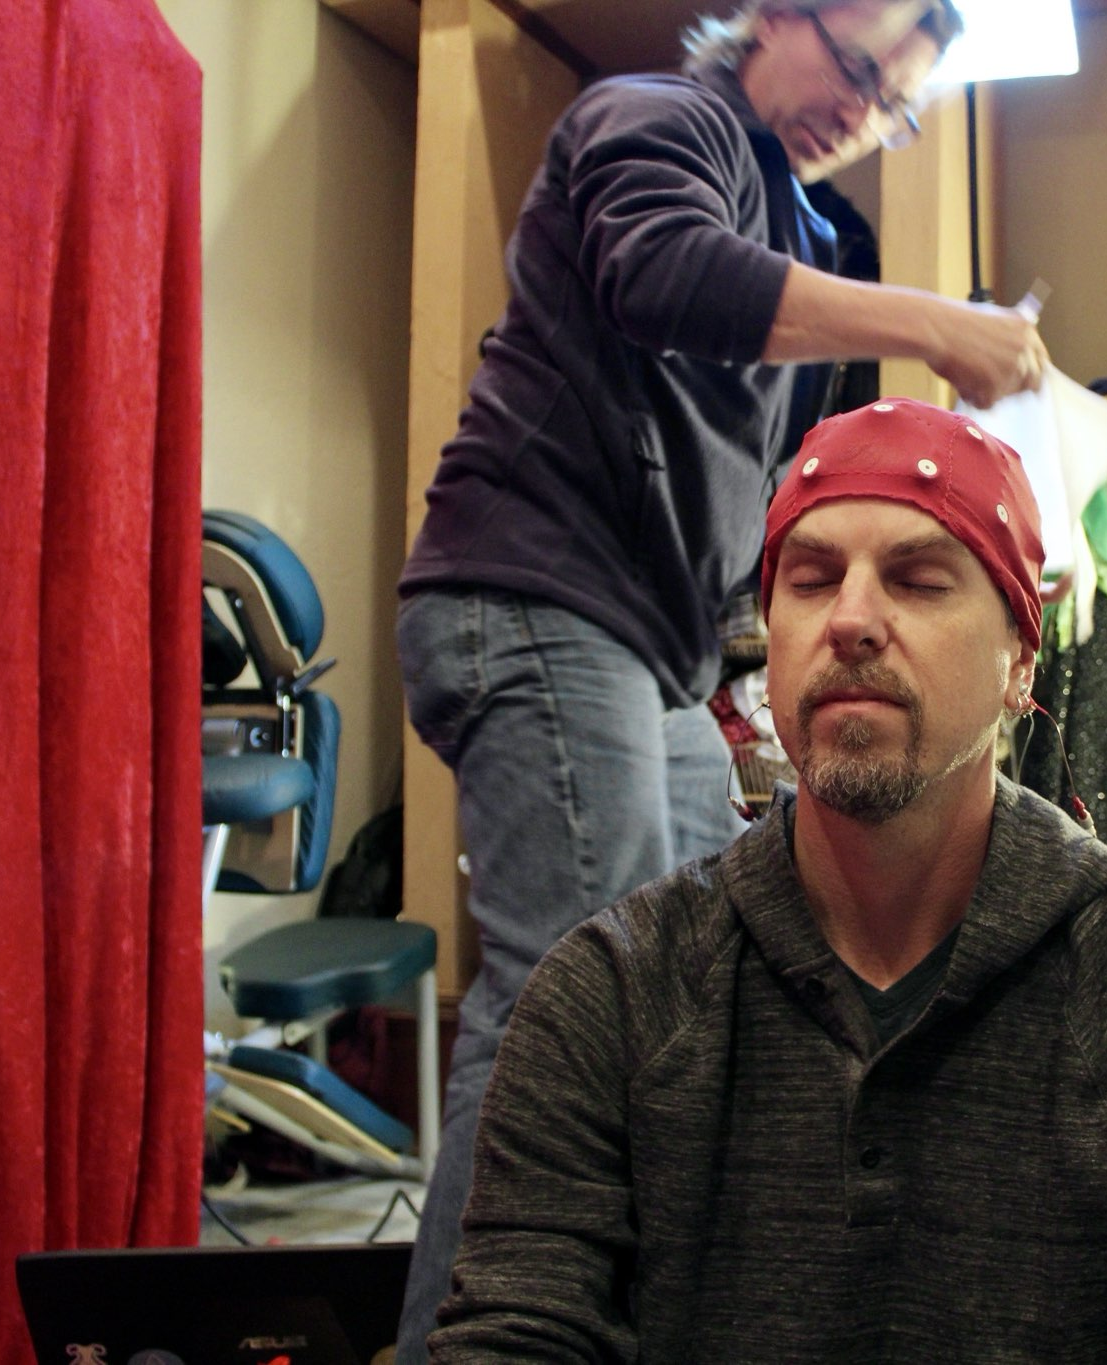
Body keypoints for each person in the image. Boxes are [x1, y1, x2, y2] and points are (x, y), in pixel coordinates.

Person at [428, 399, 1107, 1363]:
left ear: (1019, 660)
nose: (853, 620)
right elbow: (517, 1328)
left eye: (918, 580)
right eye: (812, 578)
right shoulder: (609, 995)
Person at [393, 1, 1051, 1355]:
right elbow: (666, 276)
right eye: (854, 66)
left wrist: (726, 675)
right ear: (768, 17)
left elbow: (740, 500)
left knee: (699, 975)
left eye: (892, 105)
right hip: (531, 594)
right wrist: (938, 324)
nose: (858, 111)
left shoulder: (801, 236)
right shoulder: (660, 117)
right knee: (563, 1000)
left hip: (642, 651)